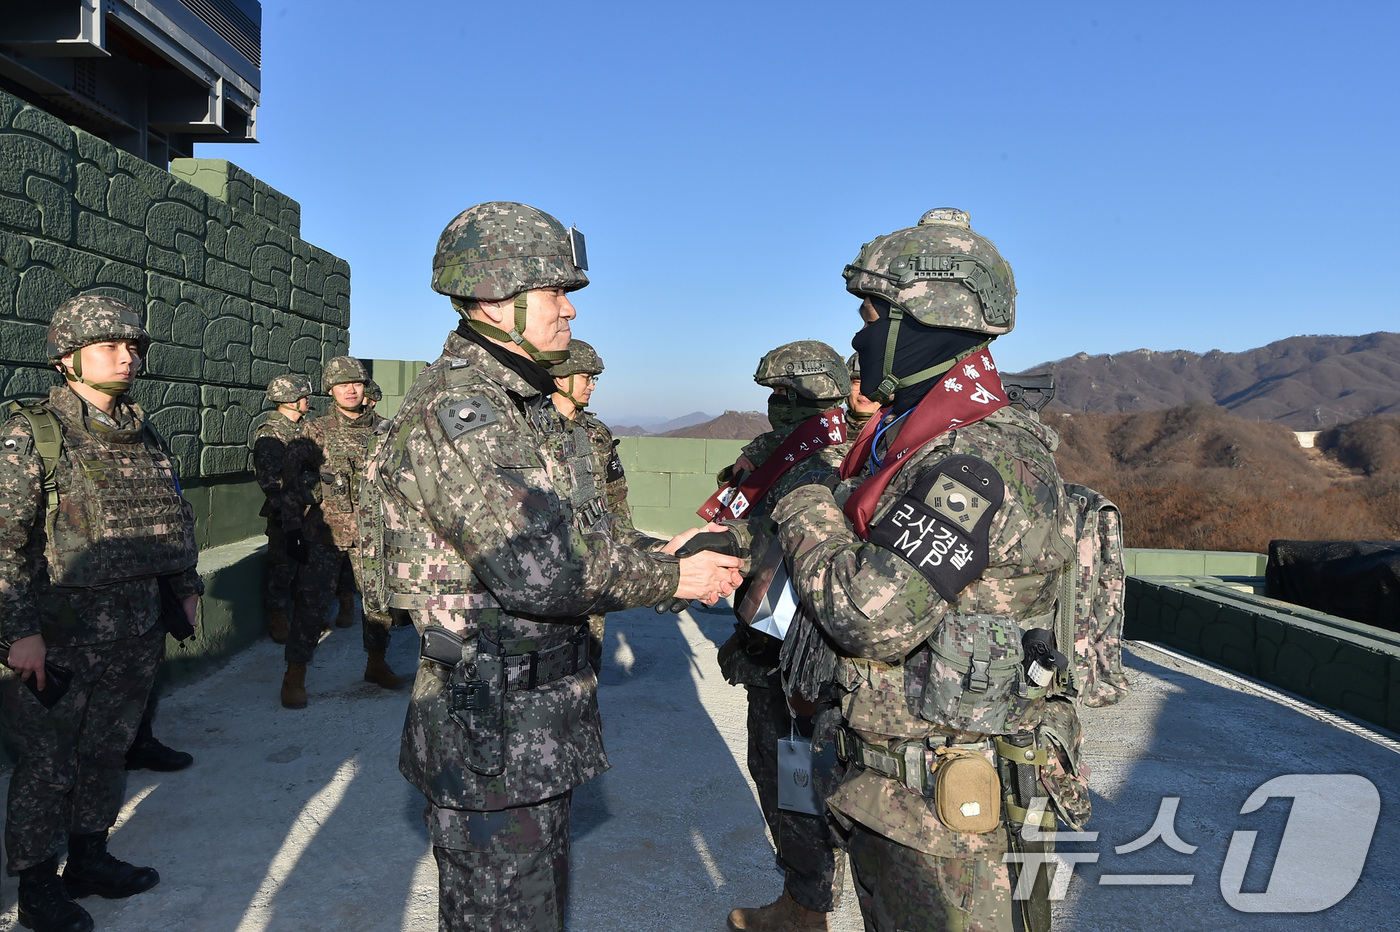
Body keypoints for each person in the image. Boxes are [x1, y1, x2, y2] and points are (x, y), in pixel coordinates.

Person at [371, 201, 742, 931]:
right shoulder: (464, 412)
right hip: (493, 729)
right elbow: (539, 573)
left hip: (536, 719)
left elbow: (576, 536)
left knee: (535, 903)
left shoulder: (524, 406)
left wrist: (657, 553)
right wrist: (676, 581)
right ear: (492, 298)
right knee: (503, 912)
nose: (570, 311)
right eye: (554, 293)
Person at [770, 209, 1089, 932]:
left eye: (871, 314)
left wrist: (804, 507)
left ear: (923, 321)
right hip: (905, 793)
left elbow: (869, 614)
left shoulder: (972, 462)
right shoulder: (921, 441)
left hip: (950, 818)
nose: (858, 334)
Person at [0, 293, 203, 932]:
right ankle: (36, 886)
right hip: (58, 640)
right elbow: (4, 542)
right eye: (109, 345)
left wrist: (186, 585)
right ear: (66, 359)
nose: (126, 355)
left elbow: (172, 517)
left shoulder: (144, 432)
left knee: (108, 751)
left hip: (135, 626)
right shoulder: (31, 432)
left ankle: (88, 857)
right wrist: (19, 633)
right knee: (46, 765)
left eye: (133, 345)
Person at [711, 341, 853, 932]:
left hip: (810, 657)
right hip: (764, 651)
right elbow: (733, 517)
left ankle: (809, 907)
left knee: (803, 783)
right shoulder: (767, 453)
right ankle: (801, 896)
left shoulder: (854, 455)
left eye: (793, 396)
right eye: (774, 395)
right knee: (773, 772)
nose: (780, 407)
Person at [277, 356, 404, 708]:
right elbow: (289, 484)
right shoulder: (314, 432)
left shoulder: (386, 429)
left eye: (357, 383)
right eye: (342, 383)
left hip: (373, 534)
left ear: (365, 387)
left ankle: (376, 664)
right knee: (312, 606)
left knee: (378, 604)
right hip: (324, 534)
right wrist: (293, 531)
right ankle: (295, 675)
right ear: (329, 389)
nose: (350, 389)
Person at [548, 338, 667, 672]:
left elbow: (615, 500)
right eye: (586, 377)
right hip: (549, 565)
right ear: (560, 378)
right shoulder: (527, 430)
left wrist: (627, 552)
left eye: (594, 379)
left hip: (594, 561)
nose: (592, 386)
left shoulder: (597, 434)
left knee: (590, 657)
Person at [252, 373, 312, 644]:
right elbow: (270, 479)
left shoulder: (306, 428)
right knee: (282, 567)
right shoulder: (270, 432)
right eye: (303, 397)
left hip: (312, 510)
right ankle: (278, 616)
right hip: (286, 512)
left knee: (307, 566)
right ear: (289, 401)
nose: (307, 401)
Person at [843, 353, 882, 434]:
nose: (864, 391)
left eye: (875, 384)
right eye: (857, 382)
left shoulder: (901, 433)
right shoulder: (825, 432)